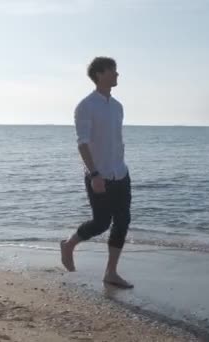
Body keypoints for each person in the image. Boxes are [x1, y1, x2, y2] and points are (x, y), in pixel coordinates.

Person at [60, 57, 133, 289]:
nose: (117, 75)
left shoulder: (118, 106)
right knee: (102, 223)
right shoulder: (86, 106)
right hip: (98, 174)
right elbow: (82, 143)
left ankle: (111, 272)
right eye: (114, 71)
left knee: (123, 220)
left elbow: (116, 141)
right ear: (100, 74)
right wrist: (94, 174)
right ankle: (69, 244)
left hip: (120, 172)